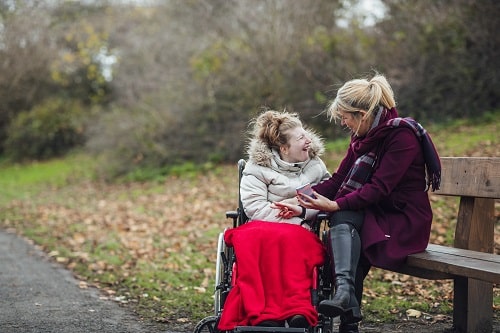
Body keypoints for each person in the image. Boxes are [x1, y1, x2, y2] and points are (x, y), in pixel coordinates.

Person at [274, 74, 441, 333]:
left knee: (345, 218)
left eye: (345, 116)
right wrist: (299, 201)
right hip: (376, 212)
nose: (343, 122)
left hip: (403, 219)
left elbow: (379, 189)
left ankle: (347, 308)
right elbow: (339, 180)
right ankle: (345, 300)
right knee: (346, 222)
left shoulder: (402, 136)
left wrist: (336, 206)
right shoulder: (363, 136)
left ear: (362, 114)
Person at [217, 109, 331, 330]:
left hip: (300, 225)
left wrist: (301, 213)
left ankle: (297, 308)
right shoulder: (257, 167)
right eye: (301, 138)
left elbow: (323, 200)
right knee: (260, 241)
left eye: (306, 135)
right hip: (262, 224)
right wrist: (286, 216)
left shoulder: (316, 167)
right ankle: (262, 312)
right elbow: (254, 206)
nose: (308, 140)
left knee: (294, 242)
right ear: (284, 148)